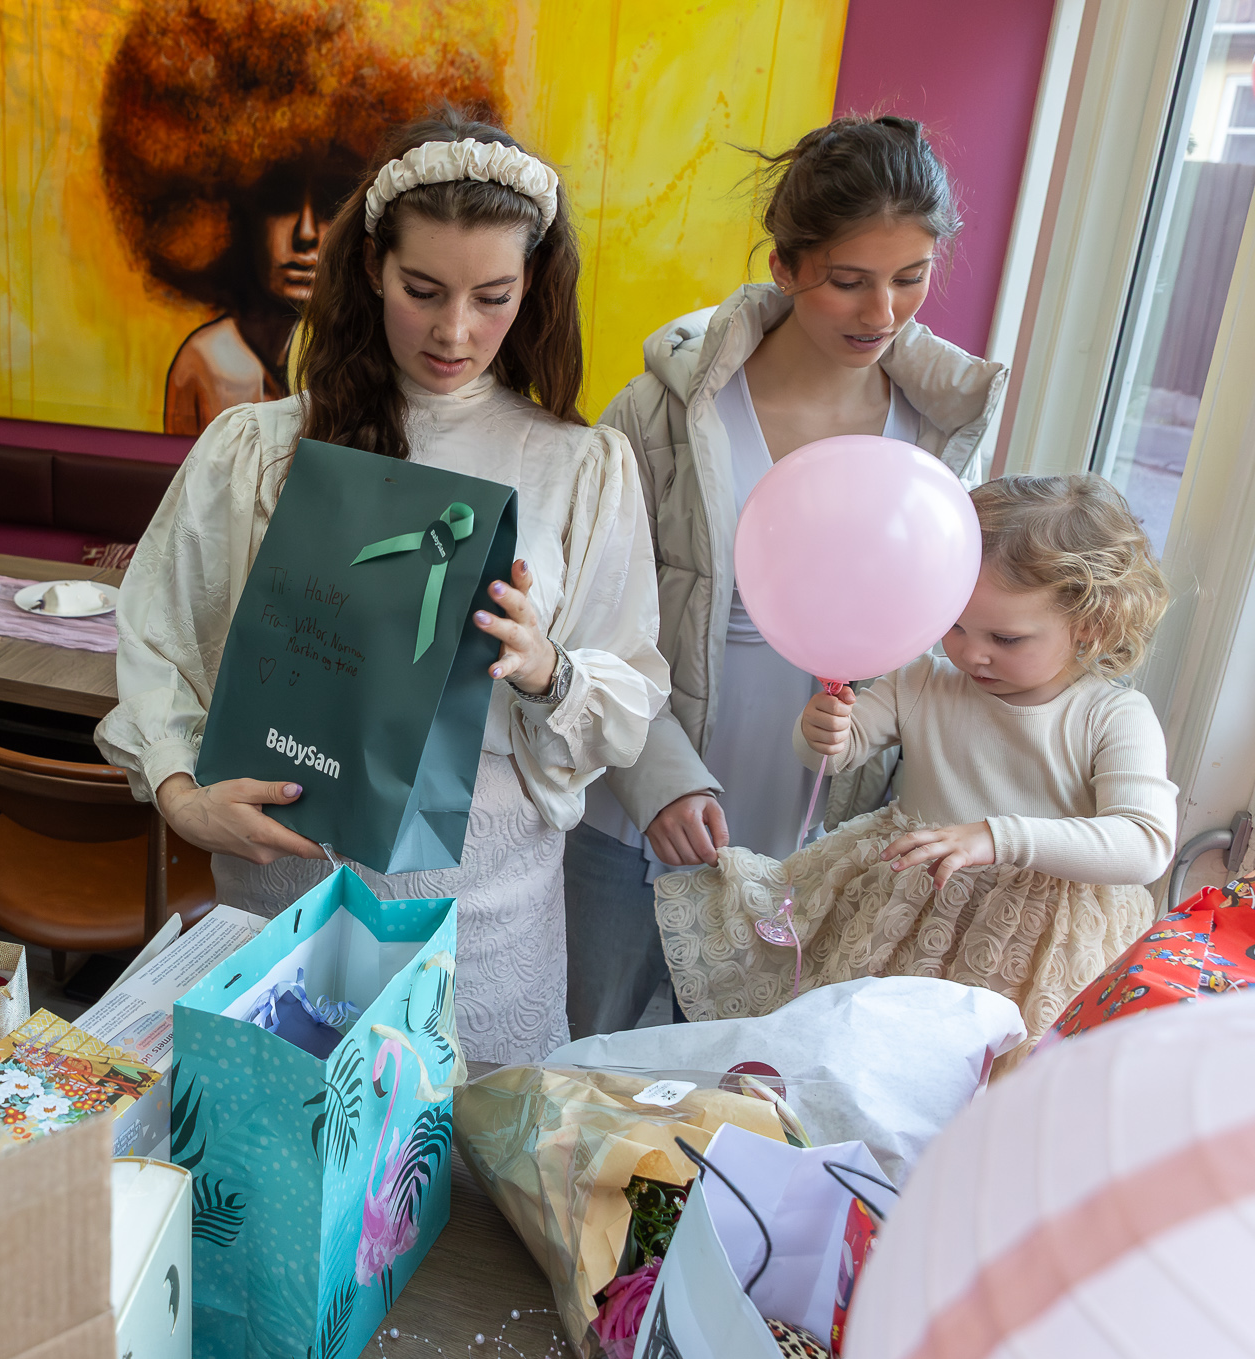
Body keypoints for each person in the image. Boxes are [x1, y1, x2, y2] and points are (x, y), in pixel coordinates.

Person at [96, 109, 669, 1061]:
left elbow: (629, 698)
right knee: (272, 1135)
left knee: (464, 1148)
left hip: (480, 926)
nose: (455, 330)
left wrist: (547, 668)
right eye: (423, 290)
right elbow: (158, 637)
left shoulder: (581, 469)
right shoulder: (259, 448)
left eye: (492, 296)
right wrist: (178, 792)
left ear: (532, 285)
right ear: (371, 267)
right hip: (281, 895)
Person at [565, 115, 1009, 1039]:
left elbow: (928, 629)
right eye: (848, 280)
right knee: (582, 1059)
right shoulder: (659, 412)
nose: (881, 312)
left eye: (911, 276)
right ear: (784, 266)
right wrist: (656, 780)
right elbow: (587, 613)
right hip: (633, 816)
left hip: (812, 844)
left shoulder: (937, 433)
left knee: (740, 1085)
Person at [654, 474, 1175, 1053]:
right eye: (954, 624)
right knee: (868, 1051)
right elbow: (839, 751)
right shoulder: (926, 678)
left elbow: (1145, 842)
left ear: (1091, 626)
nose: (971, 652)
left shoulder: (1112, 715)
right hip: (904, 918)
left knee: (985, 1076)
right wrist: (822, 731)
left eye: (1005, 638)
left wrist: (997, 837)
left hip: (1031, 947)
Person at [98, 0, 500, 435]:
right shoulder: (209, 362)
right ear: (230, 210)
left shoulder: (392, 366)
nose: (305, 233)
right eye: (278, 200)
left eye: (333, 203)